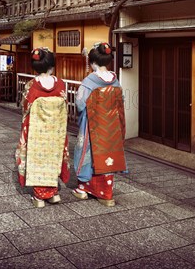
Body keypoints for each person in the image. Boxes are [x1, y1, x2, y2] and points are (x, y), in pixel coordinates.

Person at [72, 42, 126, 207]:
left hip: (93, 124)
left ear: (93, 62)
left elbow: (80, 104)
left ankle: (84, 187)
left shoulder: (89, 81)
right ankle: (106, 190)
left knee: (87, 151)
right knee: (107, 153)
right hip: (111, 126)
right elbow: (120, 102)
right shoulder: (115, 80)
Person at [15, 47, 70, 208]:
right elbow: (65, 105)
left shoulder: (32, 85)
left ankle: (39, 196)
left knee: (38, 158)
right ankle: (53, 193)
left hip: (37, 131)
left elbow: (25, 108)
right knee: (54, 155)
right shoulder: (60, 84)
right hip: (56, 131)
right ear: (52, 66)